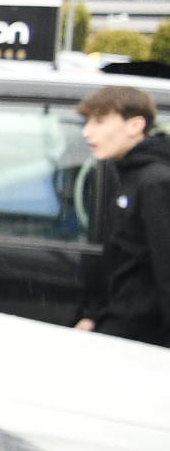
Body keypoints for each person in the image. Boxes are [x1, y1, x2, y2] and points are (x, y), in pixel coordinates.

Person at [73, 81, 170, 346]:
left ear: (135, 126)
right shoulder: (126, 172)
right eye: (87, 122)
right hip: (118, 321)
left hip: (142, 335)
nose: (87, 132)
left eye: (100, 121)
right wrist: (94, 314)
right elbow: (119, 256)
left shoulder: (156, 182)